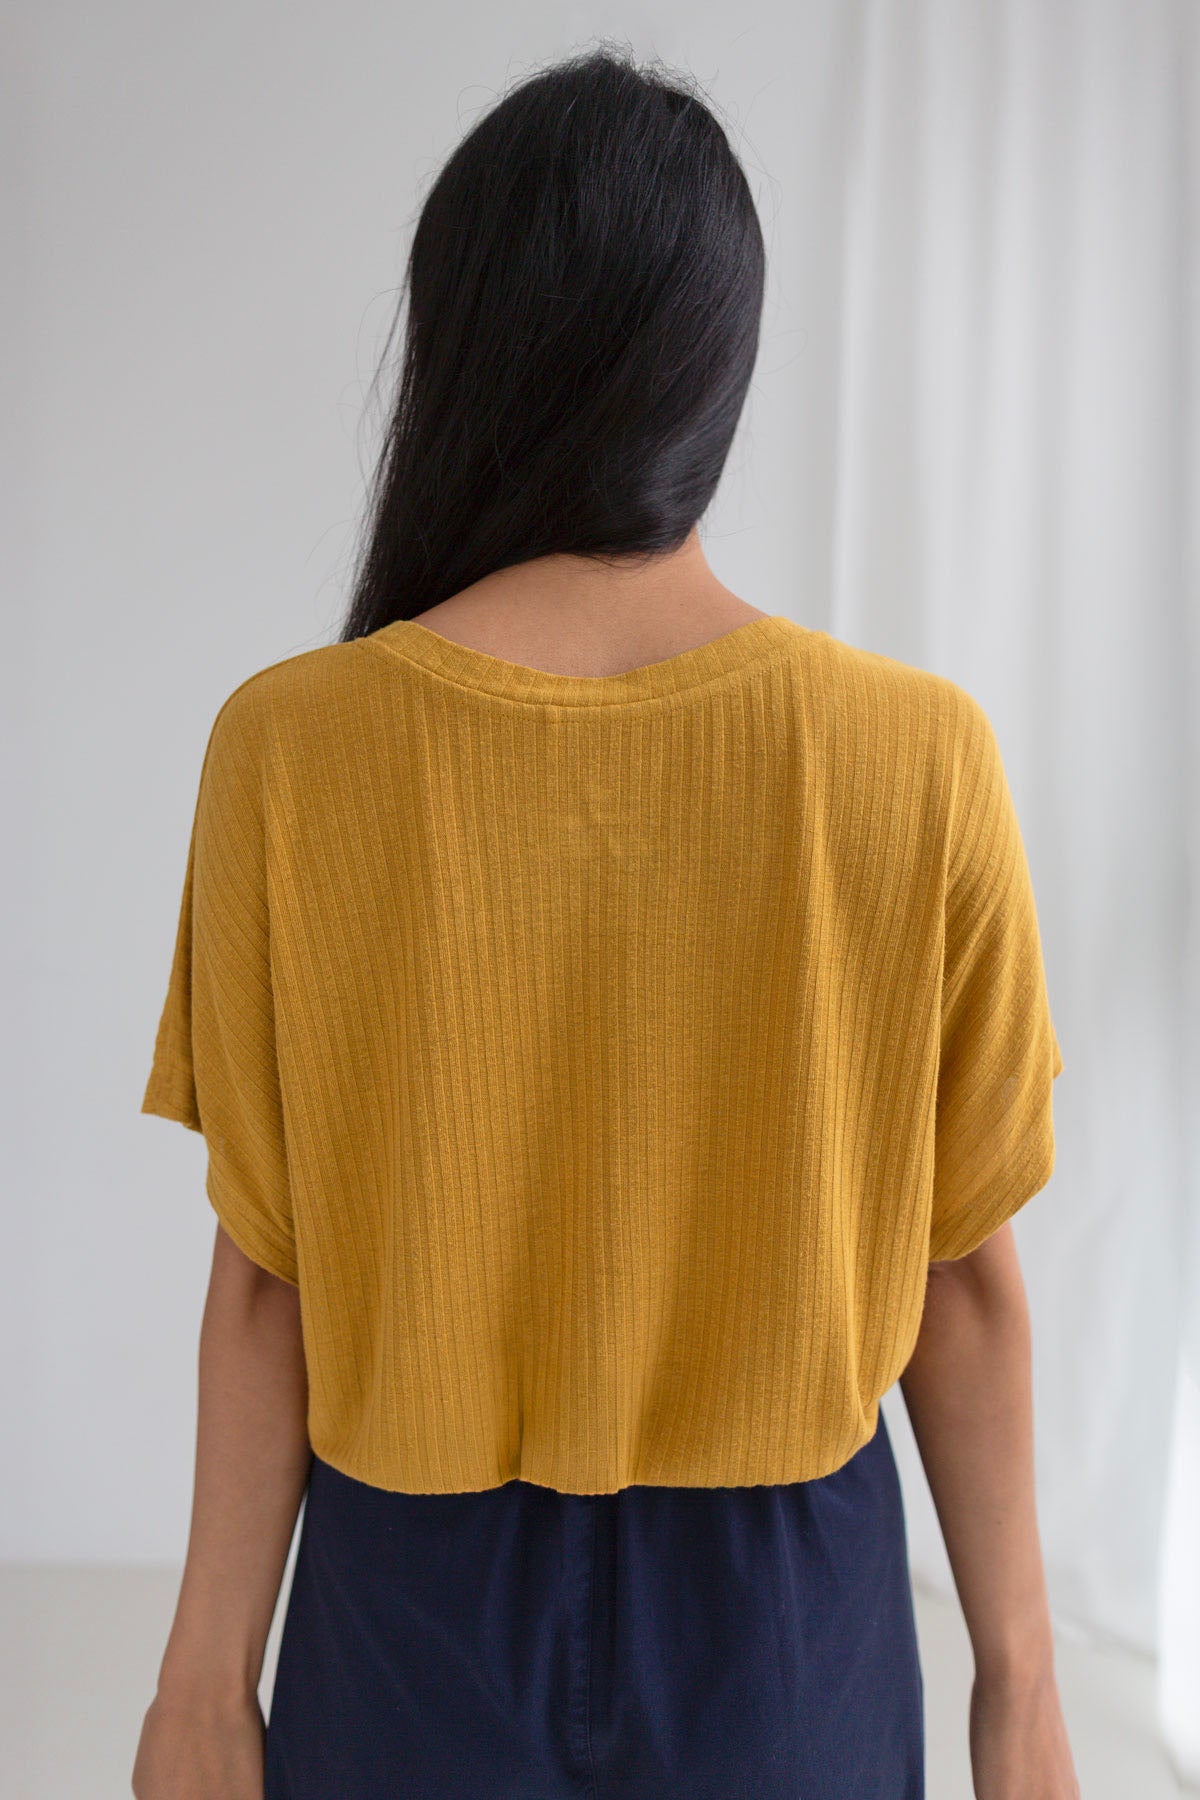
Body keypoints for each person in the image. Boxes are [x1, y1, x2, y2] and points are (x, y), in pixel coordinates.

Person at [131, 44, 1080, 1800]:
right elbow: (964, 1281)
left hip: (410, 1618)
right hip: (787, 1630)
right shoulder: (915, 755)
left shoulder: (291, 748)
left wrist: (202, 1685)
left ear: (460, 350)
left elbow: (266, 1284)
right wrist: (1021, 1692)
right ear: (718, 364)